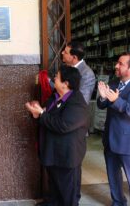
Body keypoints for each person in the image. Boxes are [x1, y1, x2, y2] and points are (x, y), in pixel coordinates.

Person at [25, 65, 89, 206]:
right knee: (54, 189)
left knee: (68, 194)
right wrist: (37, 113)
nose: (54, 78)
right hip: (53, 153)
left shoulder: (77, 103)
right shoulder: (56, 96)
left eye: (57, 77)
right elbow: (47, 116)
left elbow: (62, 125)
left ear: (66, 84)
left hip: (66, 157)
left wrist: (42, 114)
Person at [97, 53, 130, 206]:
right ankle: (118, 203)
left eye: (120, 64)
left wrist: (116, 100)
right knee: (113, 179)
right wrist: (102, 98)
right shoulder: (114, 83)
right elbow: (102, 105)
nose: (116, 66)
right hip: (110, 140)